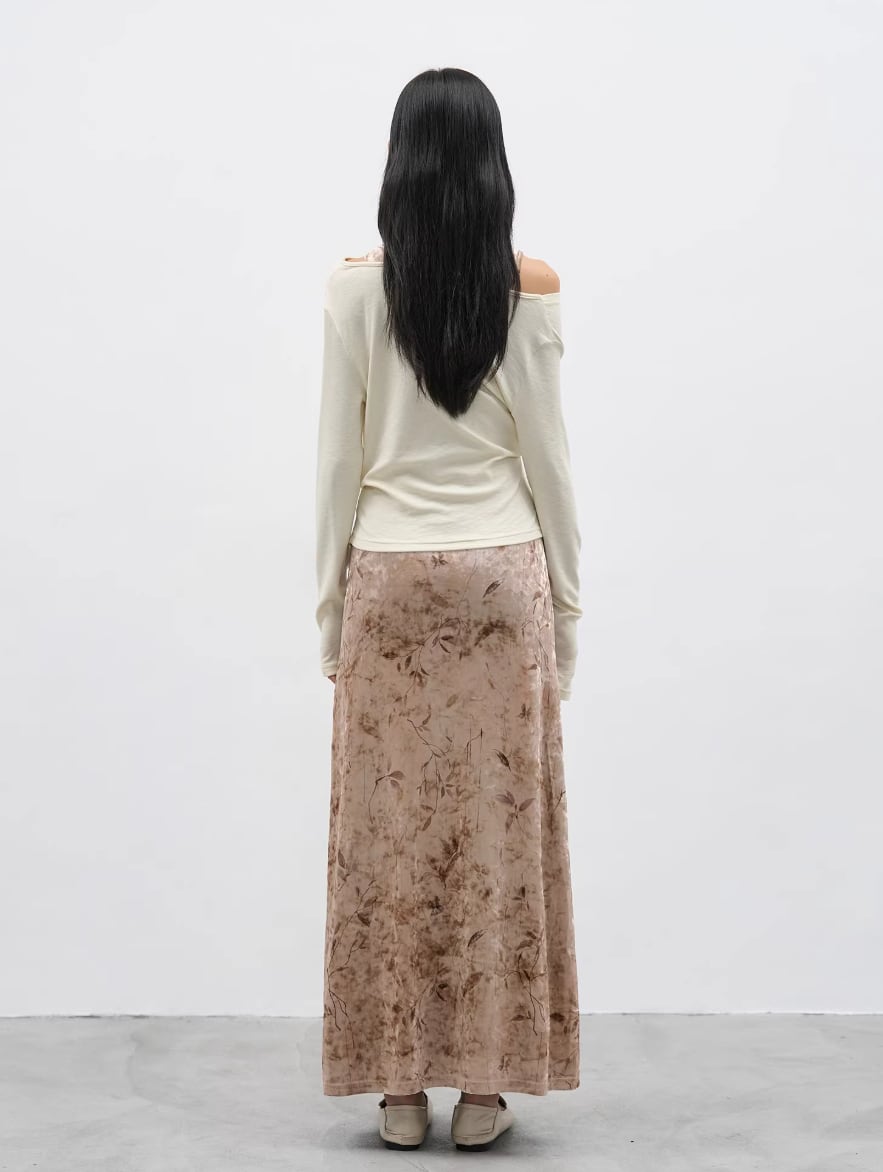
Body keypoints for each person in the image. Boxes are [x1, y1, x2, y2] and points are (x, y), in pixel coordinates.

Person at [315, 67, 582, 1153]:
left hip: (387, 580)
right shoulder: (530, 286)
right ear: (489, 166)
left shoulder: (351, 290)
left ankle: (395, 1091)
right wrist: (568, 612)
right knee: (496, 833)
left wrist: (329, 615)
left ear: (400, 164)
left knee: (386, 835)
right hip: (499, 580)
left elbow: (336, 464)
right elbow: (549, 466)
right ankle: (481, 1088)